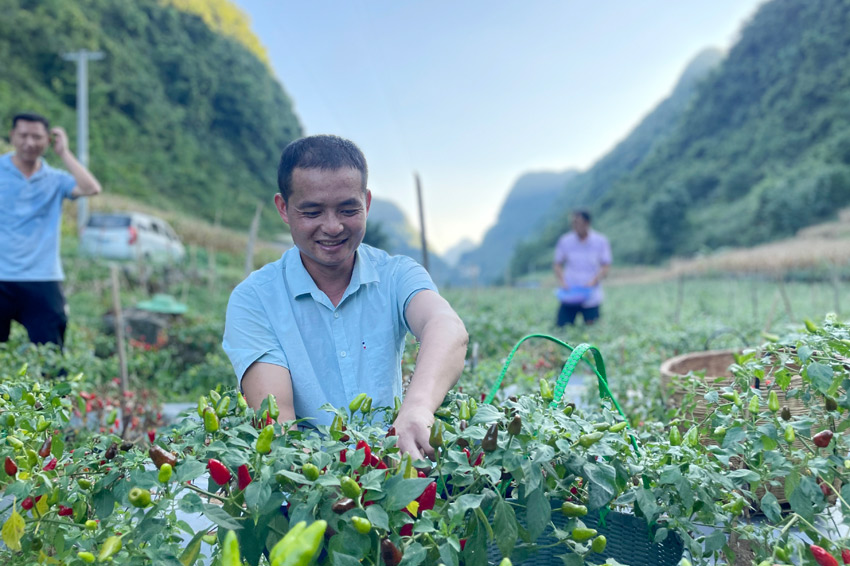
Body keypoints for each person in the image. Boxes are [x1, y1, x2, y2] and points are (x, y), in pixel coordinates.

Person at [223, 135, 468, 460]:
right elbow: (278, 422)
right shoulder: (254, 300)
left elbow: (446, 327)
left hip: (396, 472)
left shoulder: (396, 275)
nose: (333, 226)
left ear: (366, 203)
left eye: (348, 209)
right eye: (311, 212)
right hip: (307, 484)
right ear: (283, 208)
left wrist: (418, 409)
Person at [1, 112, 103, 348]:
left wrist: (64, 153)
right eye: (23, 135)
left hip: (42, 276)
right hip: (1, 275)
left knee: (51, 357)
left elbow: (91, 188)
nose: (29, 143)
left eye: (36, 137)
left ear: (47, 140)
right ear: (12, 136)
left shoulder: (56, 179)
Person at [553, 209, 611, 326]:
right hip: (570, 292)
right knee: (562, 328)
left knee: (592, 330)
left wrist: (594, 281)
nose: (574, 225)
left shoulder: (600, 241)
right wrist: (562, 282)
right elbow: (557, 264)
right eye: (573, 223)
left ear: (587, 223)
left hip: (591, 294)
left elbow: (606, 265)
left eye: (577, 222)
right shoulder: (565, 241)